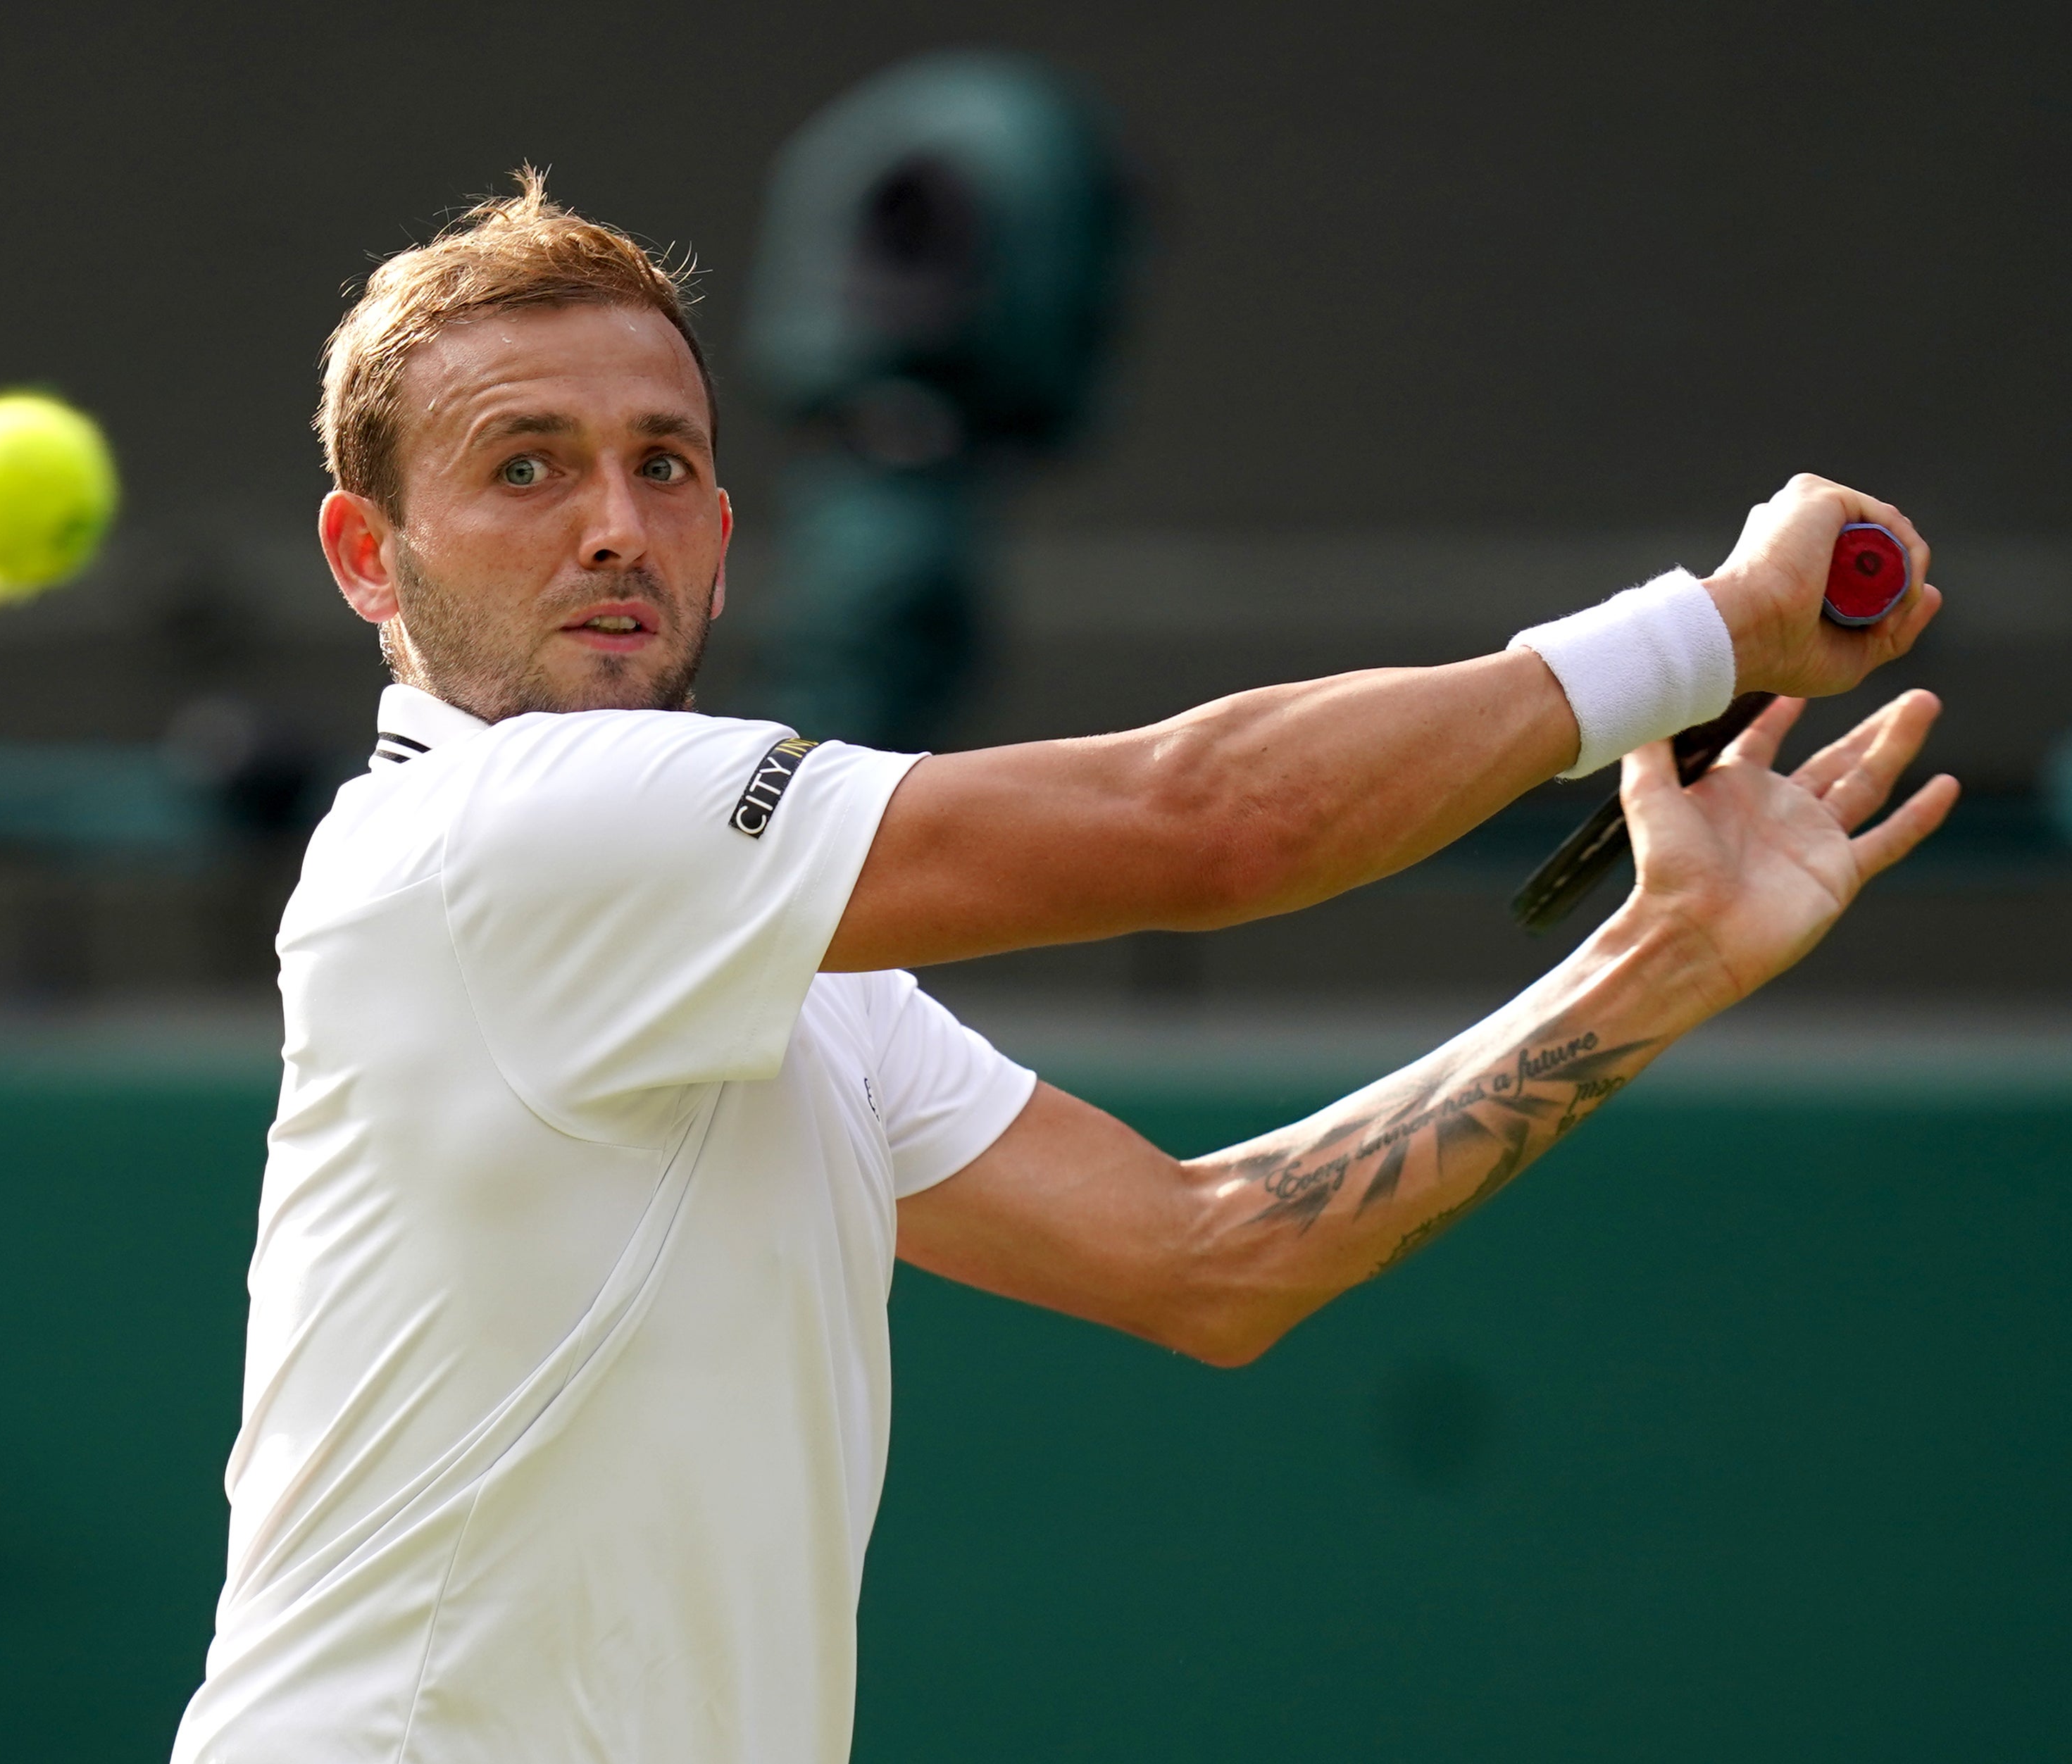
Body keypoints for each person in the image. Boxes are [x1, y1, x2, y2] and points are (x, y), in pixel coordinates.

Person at [168, 173, 1954, 1764]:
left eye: (662, 463)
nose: (614, 523)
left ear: (720, 533)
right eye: (524, 466)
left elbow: (1211, 1258)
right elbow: (1209, 822)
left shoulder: (755, 954)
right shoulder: (498, 833)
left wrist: (1659, 953)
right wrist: (1701, 634)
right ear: (366, 560)